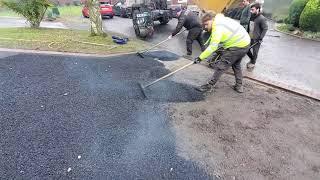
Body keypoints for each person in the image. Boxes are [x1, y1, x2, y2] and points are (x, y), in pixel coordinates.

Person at [194, 13, 250, 93]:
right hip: (245, 44)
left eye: (206, 24)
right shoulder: (220, 20)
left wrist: (200, 58)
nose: (205, 27)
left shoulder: (217, 28)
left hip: (237, 46)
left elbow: (212, 47)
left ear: (211, 20)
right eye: (204, 25)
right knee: (236, 65)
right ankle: (239, 86)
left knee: (221, 66)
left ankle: (209, 86)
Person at [246, 3, 268, 69]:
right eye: (251, 9)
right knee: (246, 49)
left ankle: (253, 63)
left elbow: (265, 28)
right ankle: (252, 59)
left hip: (256, 38)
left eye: (253, 9)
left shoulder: (262, 18)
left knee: (255, 51)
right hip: (249, 37)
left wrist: (260, 38)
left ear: (258, 9)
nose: (251, 11)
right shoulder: (252, 16)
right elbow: (250, 25)